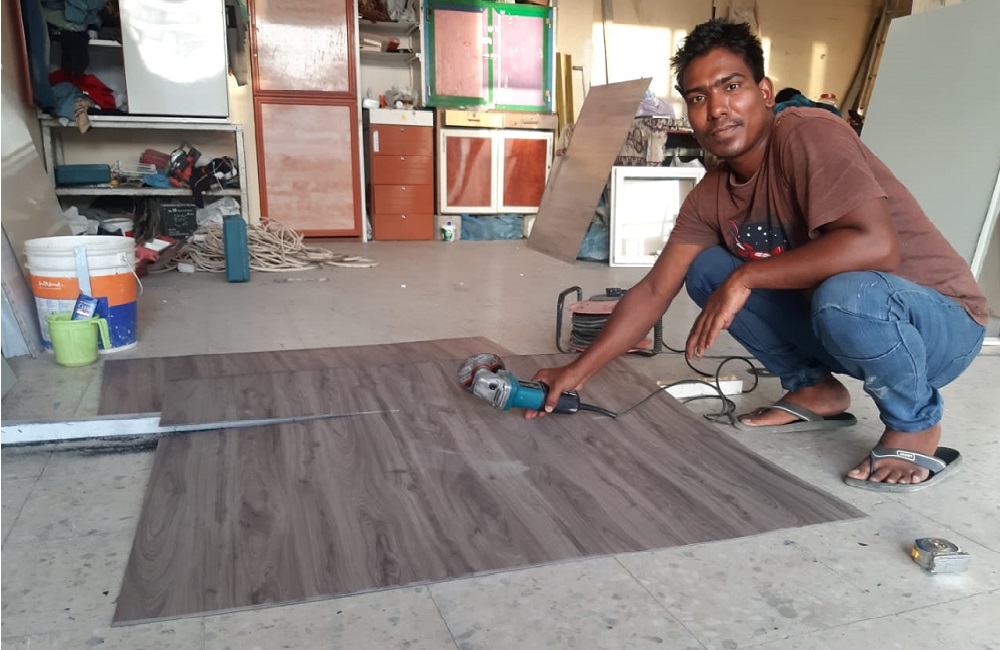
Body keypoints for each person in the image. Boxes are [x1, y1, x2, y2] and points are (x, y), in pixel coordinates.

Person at [528, 18, 988, 491]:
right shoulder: (710, 195)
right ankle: (813, 388)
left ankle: (915, 422)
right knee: (707, 269)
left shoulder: (810, 133)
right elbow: (653, 291)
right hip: (846, 319)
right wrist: (576, 373)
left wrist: (746, 277)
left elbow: (877, 246)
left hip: (940, 327)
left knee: (844, 292)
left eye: (732, 87)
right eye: (698, 98)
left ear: (765, 92)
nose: (717, 109)